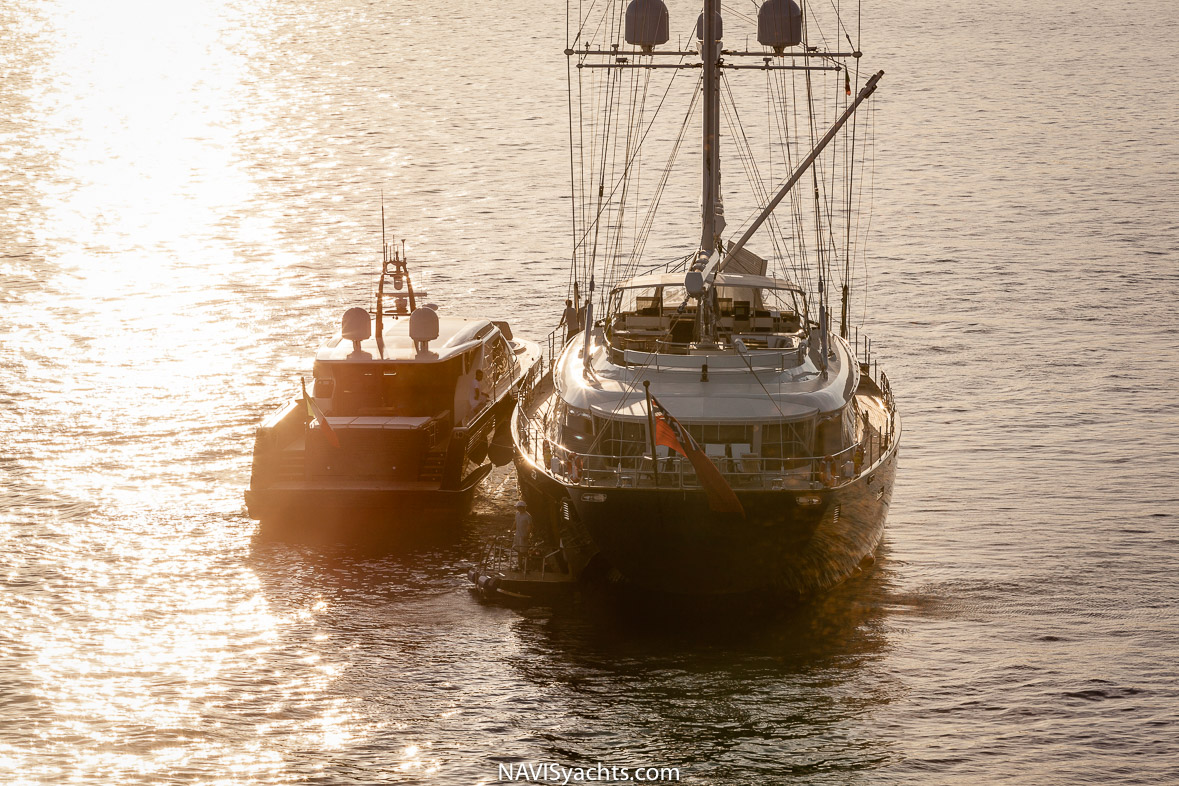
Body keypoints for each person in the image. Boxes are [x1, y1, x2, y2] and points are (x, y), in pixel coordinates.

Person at [513, 500, 533, 568]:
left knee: (524, 551)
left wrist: (526, 535)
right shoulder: (517, 514)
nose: (518, 508)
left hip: (523, 535)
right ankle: (520, 565)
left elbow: (529, 526)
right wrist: (511, 530)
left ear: (523, 507)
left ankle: (527, 565)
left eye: (519, 507)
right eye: (517, 507)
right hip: (518, 535)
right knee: (519, 551)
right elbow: (515, 522)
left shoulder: (528, 516)